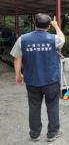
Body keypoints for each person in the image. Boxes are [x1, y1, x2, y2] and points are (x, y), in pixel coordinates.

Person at [10, 13, 65, 142]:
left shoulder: (23, 39)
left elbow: (17, 58)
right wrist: (56, 26)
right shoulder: (53, 39)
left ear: (35, 24)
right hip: (51, 80)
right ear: (48, 26)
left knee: (34, 106)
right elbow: (62, 38)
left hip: (32, 81)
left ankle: (34, 134)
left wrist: (18, 75)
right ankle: (52, 133)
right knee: (52, 106)